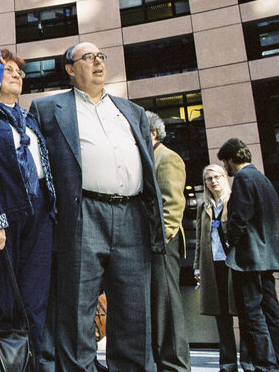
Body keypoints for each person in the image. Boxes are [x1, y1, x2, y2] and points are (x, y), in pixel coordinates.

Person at [29, 42, 165, 372]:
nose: (97, 62)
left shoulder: (131, 111)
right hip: (81, 214)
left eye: (101, 56)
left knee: (135, 308)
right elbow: (36, 165)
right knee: (77, 307)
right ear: (71, 69)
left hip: (132, 214)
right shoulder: (48, 109)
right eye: (88, 58)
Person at [0, 48, 55, 368]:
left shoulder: (30, 120)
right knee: (3, 301)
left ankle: (31, 364)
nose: (17, 75)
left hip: (40, 215)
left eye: (20, 72)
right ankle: (0, 364)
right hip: (3, 216)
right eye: (9, 69)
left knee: (35, 301)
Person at [218, 138, 279, 372]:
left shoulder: (243, 179)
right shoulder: (263, 179)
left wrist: (230, 241)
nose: (226, 168)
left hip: (249, 259)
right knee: (271, 312)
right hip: (266, 257)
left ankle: (265, 365)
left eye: (225, 162)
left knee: (253, 314)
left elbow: (239, 218)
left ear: (232, 159)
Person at [195, 164, 254, 372]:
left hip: (234, 266)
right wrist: (197, 268)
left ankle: (248, 361)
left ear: (224, 178)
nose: (214, 181)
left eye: (217, 177)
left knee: (244, 314)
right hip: (213, 267)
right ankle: (227, 364)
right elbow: (201, 241)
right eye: (209, 179)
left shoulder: (234, 201)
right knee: (221, 318)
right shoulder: (204, 207)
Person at [147, 111, 191, 372]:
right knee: (157, 307)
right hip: (150, 245)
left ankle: (175, 366)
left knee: (167, 307)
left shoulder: (167, 158)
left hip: (163, 244)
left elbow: (173, 205)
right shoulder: (149, 157)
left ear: (153, 132)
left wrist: (160, 240)